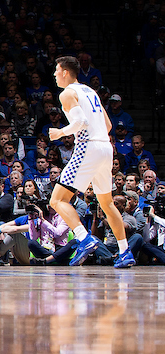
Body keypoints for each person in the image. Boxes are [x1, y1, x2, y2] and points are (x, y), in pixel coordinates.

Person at [45, 56, 133, 268]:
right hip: (105, 148)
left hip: (88, 147)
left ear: (65, 72)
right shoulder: (90, 91)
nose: (55, 74)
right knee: (107, 203)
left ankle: (84, 238)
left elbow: (80, 122)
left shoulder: (67, 93)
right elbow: (108, 125)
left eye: (57, 70)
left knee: (57, 200)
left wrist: (60, 132)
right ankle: (125, 252)